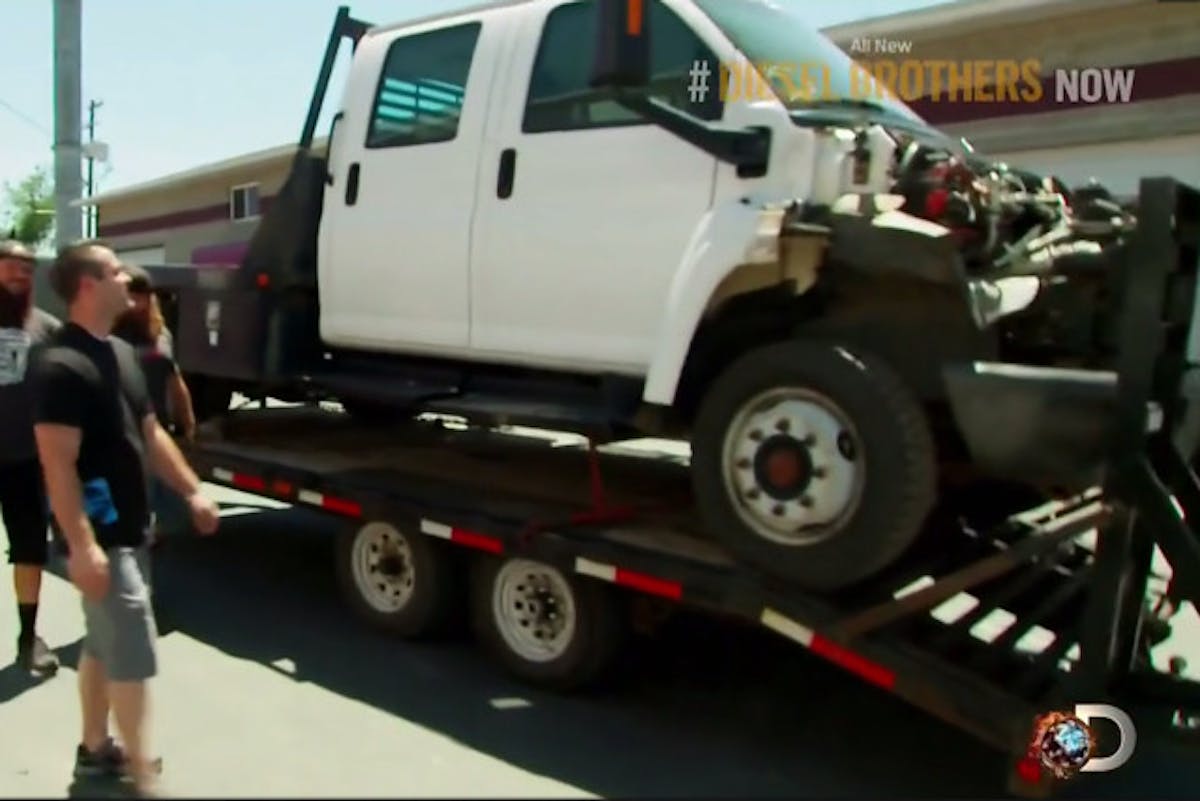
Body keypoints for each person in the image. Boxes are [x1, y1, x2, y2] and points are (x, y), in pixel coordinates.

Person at [29, 240, 220, 795]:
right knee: (133, 650)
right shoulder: (60, 364)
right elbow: (57, 463)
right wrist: (83, 547)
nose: (129, 283)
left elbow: (152, 434)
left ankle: (95, 747)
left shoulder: (123, 353)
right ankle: (141, 770)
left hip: (135, 529)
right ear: (88, 286)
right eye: (116, 272)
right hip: (101, 536)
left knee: (101, 643)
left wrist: (193, 492)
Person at [0, 239, 62, 676]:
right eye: (13, 265)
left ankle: (28, 637)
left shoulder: (47, 328)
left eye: (28, 265)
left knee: (29, 550)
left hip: (24, 460)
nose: (23, 272)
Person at [112, 264, 197, 542]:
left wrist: (187, 419)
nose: (136, 303)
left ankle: (149, 535)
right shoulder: (108, 333)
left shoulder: (161, 335)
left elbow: (174, 379)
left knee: (161, 489)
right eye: (130, 295)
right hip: (119, 426)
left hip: (156, 424)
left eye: (142, 295)